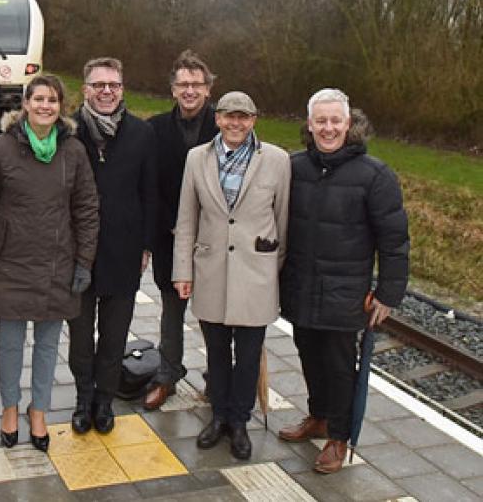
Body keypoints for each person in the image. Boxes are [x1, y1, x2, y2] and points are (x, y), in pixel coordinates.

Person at [278, 89, 409, 474]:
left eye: (336, 120)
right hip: (300, 285)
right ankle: (318, 416)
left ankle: (339, 437)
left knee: (338, 365)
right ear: (310, 124)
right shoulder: (293, 167)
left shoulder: (376, 175)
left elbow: (394, 239)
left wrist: (388, 292)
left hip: (345, 292)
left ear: (349, 124)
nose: (328, 128)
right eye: (321, 121)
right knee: (307, 353)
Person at [0, 75, 100, 452]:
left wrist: (84, 261)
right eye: (38, 99)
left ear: (61, 107)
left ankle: (38, 410)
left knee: (47, 344)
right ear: (25, 104)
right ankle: (9, 408)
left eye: (53, 100)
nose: (45, 106)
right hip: (10, 262)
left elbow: (87, 208)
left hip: (58, 263)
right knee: (10, 344)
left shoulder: (73, 151)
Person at [172, 91, 289, 460]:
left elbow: (282, 220)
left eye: (244, 117)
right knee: (217, 352)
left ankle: (240, 420)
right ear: (217, 118)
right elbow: (186, 218)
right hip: (211, 271)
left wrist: (275, 269)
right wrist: (182, 272)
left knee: (250, 354)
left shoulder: (276, 160)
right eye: (228, 116)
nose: (236, 123)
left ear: (254, 120)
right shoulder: (197, 159)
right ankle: (219, 415)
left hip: (257, 276)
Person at [67, 57, 156, 434]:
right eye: (99, 85)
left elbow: (150, 193)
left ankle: (105, 400)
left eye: (114, 85)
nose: (106, 91)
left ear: (122, 90)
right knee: (80, 337)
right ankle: (83, 398)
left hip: (124, 252)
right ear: (86, 88)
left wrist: (146, 245)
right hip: (78, 252)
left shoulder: (141, 133)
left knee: (115, 334)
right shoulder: (67, 131)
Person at [144, 49, 220, 410]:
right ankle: (167, 375)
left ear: (208, 90)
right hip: (167, 238)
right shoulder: (154, 129)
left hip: (212, 241)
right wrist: (162, 229)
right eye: (183, 84)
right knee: (171, 310)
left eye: (197, 84)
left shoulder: (223, 127)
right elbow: (149, 184)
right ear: (173, 89)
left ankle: (217, 380)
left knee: (211, 312)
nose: (190, 90)